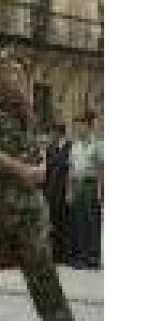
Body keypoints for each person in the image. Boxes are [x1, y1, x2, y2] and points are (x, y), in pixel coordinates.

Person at [0, 49, 74, 321]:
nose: (17, 77)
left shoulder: (27, 113)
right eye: (10, 71)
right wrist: (22, 170)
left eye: (20, 72)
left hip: (29, 203)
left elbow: (36, 150)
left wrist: (41, 167)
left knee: (41, 262)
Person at [68, 110, 103, 270]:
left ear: (89, 126)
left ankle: (94, 258)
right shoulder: (75, 146)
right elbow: (71, 169)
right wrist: (69, 191)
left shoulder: (98, 145)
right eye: (77, 126)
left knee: (92, 222)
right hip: (77, 185)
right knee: (79, 222)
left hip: (91, 185)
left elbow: (101, 169)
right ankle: (82, 256)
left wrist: (100, 191)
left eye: (81, 126)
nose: (78, 129)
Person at [45, 123, 73, 263]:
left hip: (64, 188)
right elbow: (48, 168)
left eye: (53, 133)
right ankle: (55, 253)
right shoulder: (50, 148)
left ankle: (65, 254)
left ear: (59, 133)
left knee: (65, 222)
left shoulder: (70, 147)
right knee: (53, 221)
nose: (51, 136)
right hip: (51, 190)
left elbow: (69, 168)